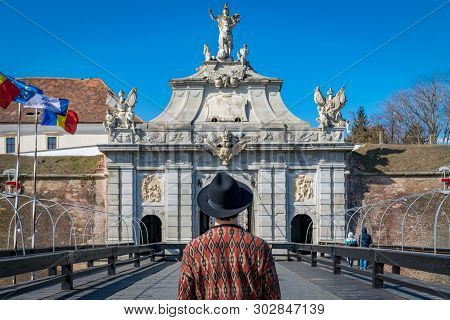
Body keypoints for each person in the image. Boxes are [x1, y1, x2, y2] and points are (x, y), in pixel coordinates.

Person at [178, 172, 281, 300]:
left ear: (211, 208)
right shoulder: (260, 247)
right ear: (240, 207)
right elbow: (273, 297)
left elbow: (184, 298)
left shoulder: (193, 248)